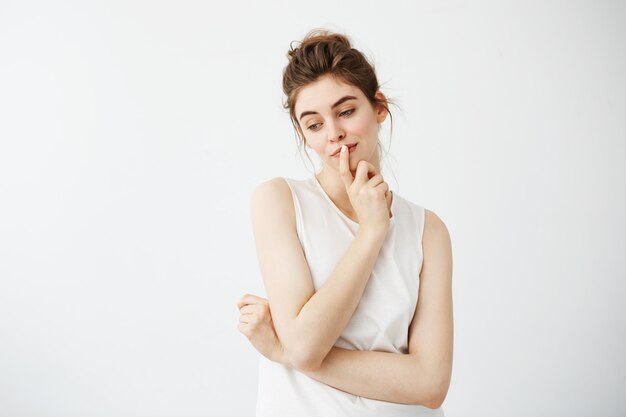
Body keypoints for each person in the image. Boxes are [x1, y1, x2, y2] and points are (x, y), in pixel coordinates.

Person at [237, 29, 453, 417]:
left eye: (346, 111)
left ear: (379, 108)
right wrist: (372, 231)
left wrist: (283, 352)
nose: (334, 132)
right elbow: (307, 344)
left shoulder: (428, 230)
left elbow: (432, 384)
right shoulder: (279, 201)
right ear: (303, 135)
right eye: (314, 124)